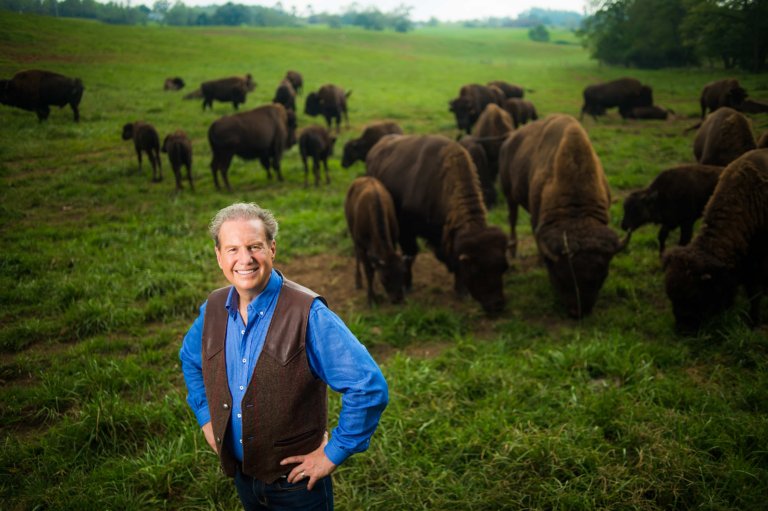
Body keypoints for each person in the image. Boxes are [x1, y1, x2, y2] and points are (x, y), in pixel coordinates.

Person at [180, 202, 388, 510]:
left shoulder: (309, 314)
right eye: (233, 249)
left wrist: (332, 454)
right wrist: (207, 418)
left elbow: (367, 386)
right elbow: (190, 360)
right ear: (218, 256)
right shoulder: (212, 309)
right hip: (244, 479)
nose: (245, 259)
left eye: (254, 247)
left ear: (272, 249)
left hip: (298, 487)